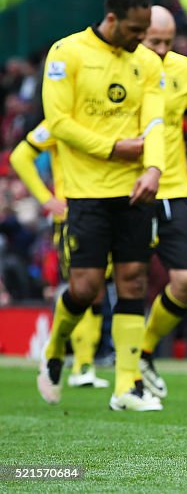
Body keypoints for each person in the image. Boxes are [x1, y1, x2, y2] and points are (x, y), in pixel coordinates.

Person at [37, 0, 166, 411]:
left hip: (133, 189)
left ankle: (126, 387)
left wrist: (153, 168)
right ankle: (56, 347)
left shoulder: (146, 62)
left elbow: (156, 123)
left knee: (133, 280)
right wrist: (112, 147)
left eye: (145, 29)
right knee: (86, 286)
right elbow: (58, 122)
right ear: (111, 19)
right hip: (86, 191)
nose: (141, 37)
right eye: (134, 28)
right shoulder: (67, 53)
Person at [137, 6, 187, 400]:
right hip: (125, 188)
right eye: (154, 41)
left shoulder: (184, 69)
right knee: (103, 284)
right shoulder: (122, 70)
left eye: (168, 42)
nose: (161, 49)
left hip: (172, 187)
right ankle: (85, 360)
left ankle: (143, 351)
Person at [10, 120, 110, 389]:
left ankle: (83, 363)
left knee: (98, 290)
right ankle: (78, 362)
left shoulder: (105, 115)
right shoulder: (60, 119)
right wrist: (46, 199)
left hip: (107, 213)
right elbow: (20, 156)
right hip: (73, 215)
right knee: (83, 287)